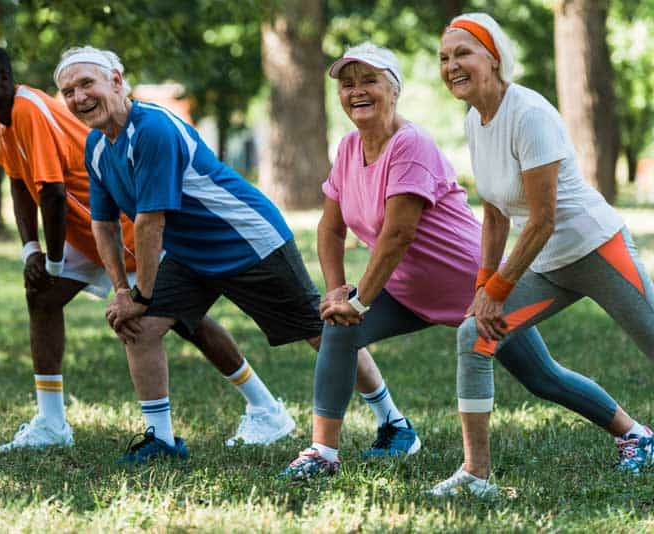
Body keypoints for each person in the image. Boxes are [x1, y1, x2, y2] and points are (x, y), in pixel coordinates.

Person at [280, 43, 652, 492]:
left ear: (393, 90)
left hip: (469, 289)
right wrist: (338, 292)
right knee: (340, 330)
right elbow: (330, 227)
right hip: (406, 291)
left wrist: (360, 300)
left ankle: (634, 434)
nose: (357, 91)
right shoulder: (347, 150)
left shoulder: (410, 145)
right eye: (347, 84)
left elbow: (399, 235)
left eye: (369, 81)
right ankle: (323, 453)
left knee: (541, 376)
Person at [54, 45, 392, 464]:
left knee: (322, 332)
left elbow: (149, 222)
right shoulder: (98, 147)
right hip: (189, 254)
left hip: (247, 241)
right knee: (138, 327)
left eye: (87, 83)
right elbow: (103, 224)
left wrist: (139, 292)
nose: (78, 97)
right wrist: (123, 292)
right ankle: (161, 440)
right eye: (68, 91)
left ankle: (393, 422)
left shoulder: (153, 129)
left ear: (117, 82)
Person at [0, 44, 296, 452]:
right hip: (85, 232)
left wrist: (55, 260)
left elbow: (53, 192)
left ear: (5, 80)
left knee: (185, 322)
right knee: (42, 297)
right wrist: (31, 248)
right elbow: (19, 184)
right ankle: (51, 422)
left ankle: (264, 408)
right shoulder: (4, 122)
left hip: (121, 235)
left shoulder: (31, 111)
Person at [433, 12, 654, 494]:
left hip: (597, 249)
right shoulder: (476, 119)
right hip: (550, 264)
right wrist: (481, 288)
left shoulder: (529, 113)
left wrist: (498, 288)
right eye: (444, 57)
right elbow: (493, 213)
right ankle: (475, 475)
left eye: (463, 53)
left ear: (493, 59)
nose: (451, 65)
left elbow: (542, 218)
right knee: (474, 336)